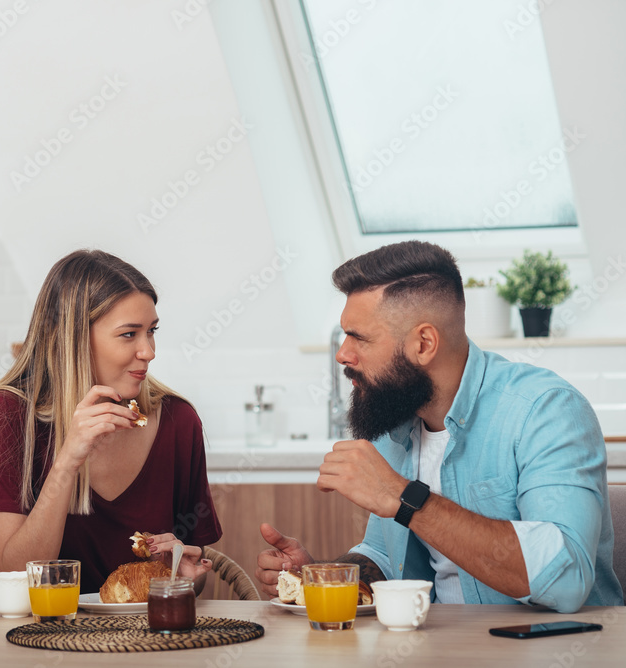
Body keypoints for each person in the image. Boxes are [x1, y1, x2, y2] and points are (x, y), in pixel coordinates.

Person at [256, 240, 623, 612]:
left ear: (424, 343)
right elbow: (385, 558)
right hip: (442, 647)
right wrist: (321, 578)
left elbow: (567, 580)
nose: (342, 354)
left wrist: (405, 499)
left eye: (359, 337)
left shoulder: (546, 411)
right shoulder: (393, 419)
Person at [0, 249, 222, 594]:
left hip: (147, 643)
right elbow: (16, 574)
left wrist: (184, 575)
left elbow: (192, 567)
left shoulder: (179, 422)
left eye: (151, 331)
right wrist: (69, 458)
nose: (149, 351)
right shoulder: (10, 414)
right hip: (42, 640)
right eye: (129, 334)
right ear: (70, 338)